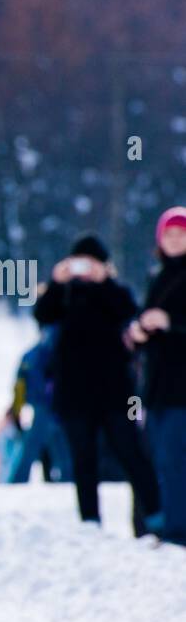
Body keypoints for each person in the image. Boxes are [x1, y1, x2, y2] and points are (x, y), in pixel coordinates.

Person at [33, 234, 161, 529]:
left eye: (90, 263)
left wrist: (103, 281)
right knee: (82, 458)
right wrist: (56, 283)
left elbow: (128, 311)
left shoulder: (114, 292)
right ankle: (90, 520)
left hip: (117, 393)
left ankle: (155, 517)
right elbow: (42, 314)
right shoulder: (64, 294)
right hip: (74, 394)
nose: (84, 269)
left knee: (132, 453)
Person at [127, 208, 186, 545]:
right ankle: (159, 525)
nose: (175, 240)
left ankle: (177, 531)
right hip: (156, 387)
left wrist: (171, 324)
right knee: (158, 458)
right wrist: (139, 331)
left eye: (180, 234)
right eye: (169, 234)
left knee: (175, 458)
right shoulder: (158, 277)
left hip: (181, 388)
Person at [6, 325, 71, 483]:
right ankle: (68, 480)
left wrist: (17, 408)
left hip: (43, 406)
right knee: (57, 448)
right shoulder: (58, 353)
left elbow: (20, 385)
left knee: (40, 447)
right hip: (50, 407)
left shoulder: (31, 355)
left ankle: (18, 481)